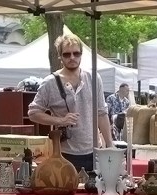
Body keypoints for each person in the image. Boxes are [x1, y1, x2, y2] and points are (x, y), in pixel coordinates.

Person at [28, 33, 113, 172]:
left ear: (81, 54)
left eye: (76, 53)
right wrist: (60, 120)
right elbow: (33, 113)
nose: (72, 57)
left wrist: (110, 144)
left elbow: (101, 113)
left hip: (94, 151)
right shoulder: (50, 82)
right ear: (60, 56)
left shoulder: (93, 78)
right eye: (67, 54)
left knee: (94, 185)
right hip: (64, 153)